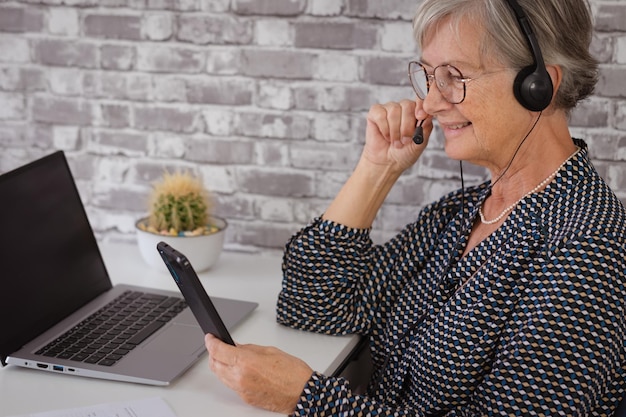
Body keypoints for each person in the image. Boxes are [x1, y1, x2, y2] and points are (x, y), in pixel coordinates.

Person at [205, 0, 626, 415]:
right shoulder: (463, 214)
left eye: (453, 77)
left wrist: (306, 399)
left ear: (539, 85)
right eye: (428, 77)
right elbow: (314, 303)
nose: (430, 103)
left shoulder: (589, 248)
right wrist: (378, 168)